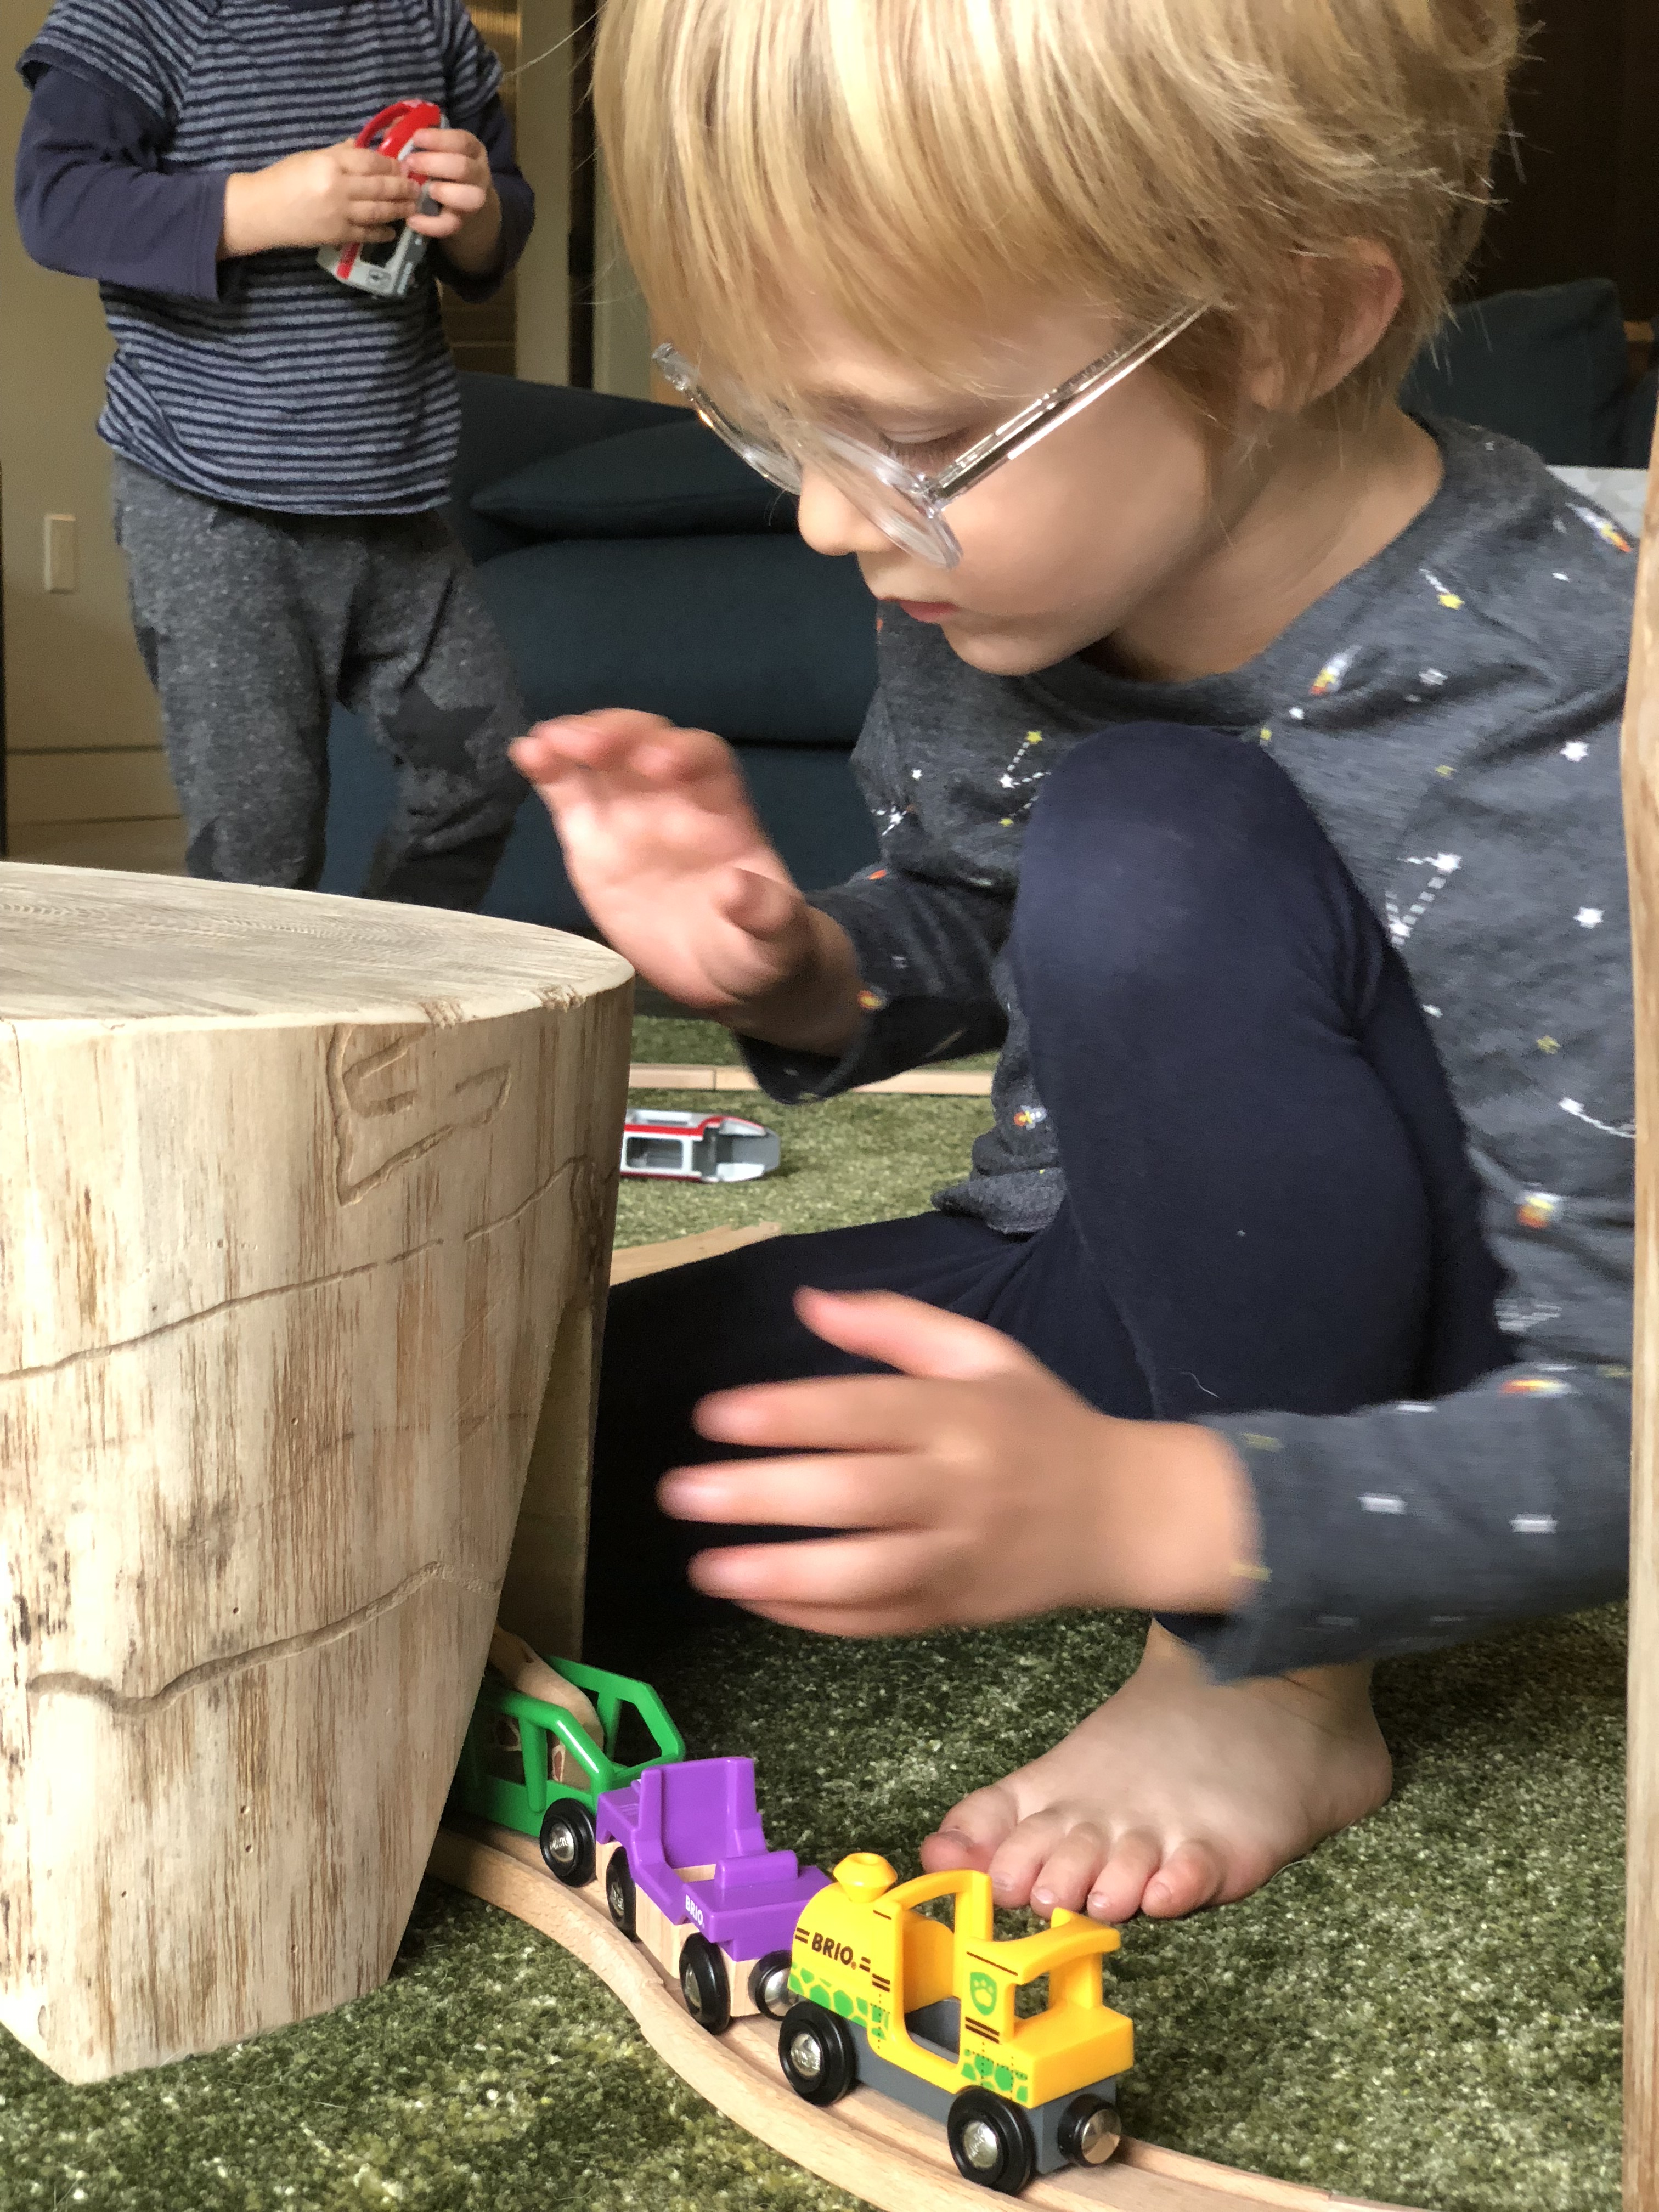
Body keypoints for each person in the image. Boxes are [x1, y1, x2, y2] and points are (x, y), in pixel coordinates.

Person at [513, 0, 1637, 1925]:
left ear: (1288, 326)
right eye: (773, 422)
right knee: (510, 1454)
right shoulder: (992, 579)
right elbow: (990, 913)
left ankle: (1265, 1686)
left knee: (1149, 822)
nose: (825, 518)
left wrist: (1160, 1516)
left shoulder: (1559, 709)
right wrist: (797, 965)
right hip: (1093, 1261)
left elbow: (1627, 1419)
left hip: (1442, 1349)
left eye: (912, 440)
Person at [15, 0, 534, 907]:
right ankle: (261, 994)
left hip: (394, 496)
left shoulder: (430, 22)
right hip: (213, 506)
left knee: (485, 769)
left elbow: (499, 219)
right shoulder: (135, 17)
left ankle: (395, 971)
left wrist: (478, 212)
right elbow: (57, 203)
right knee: (261, 847)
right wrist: (256, 206)